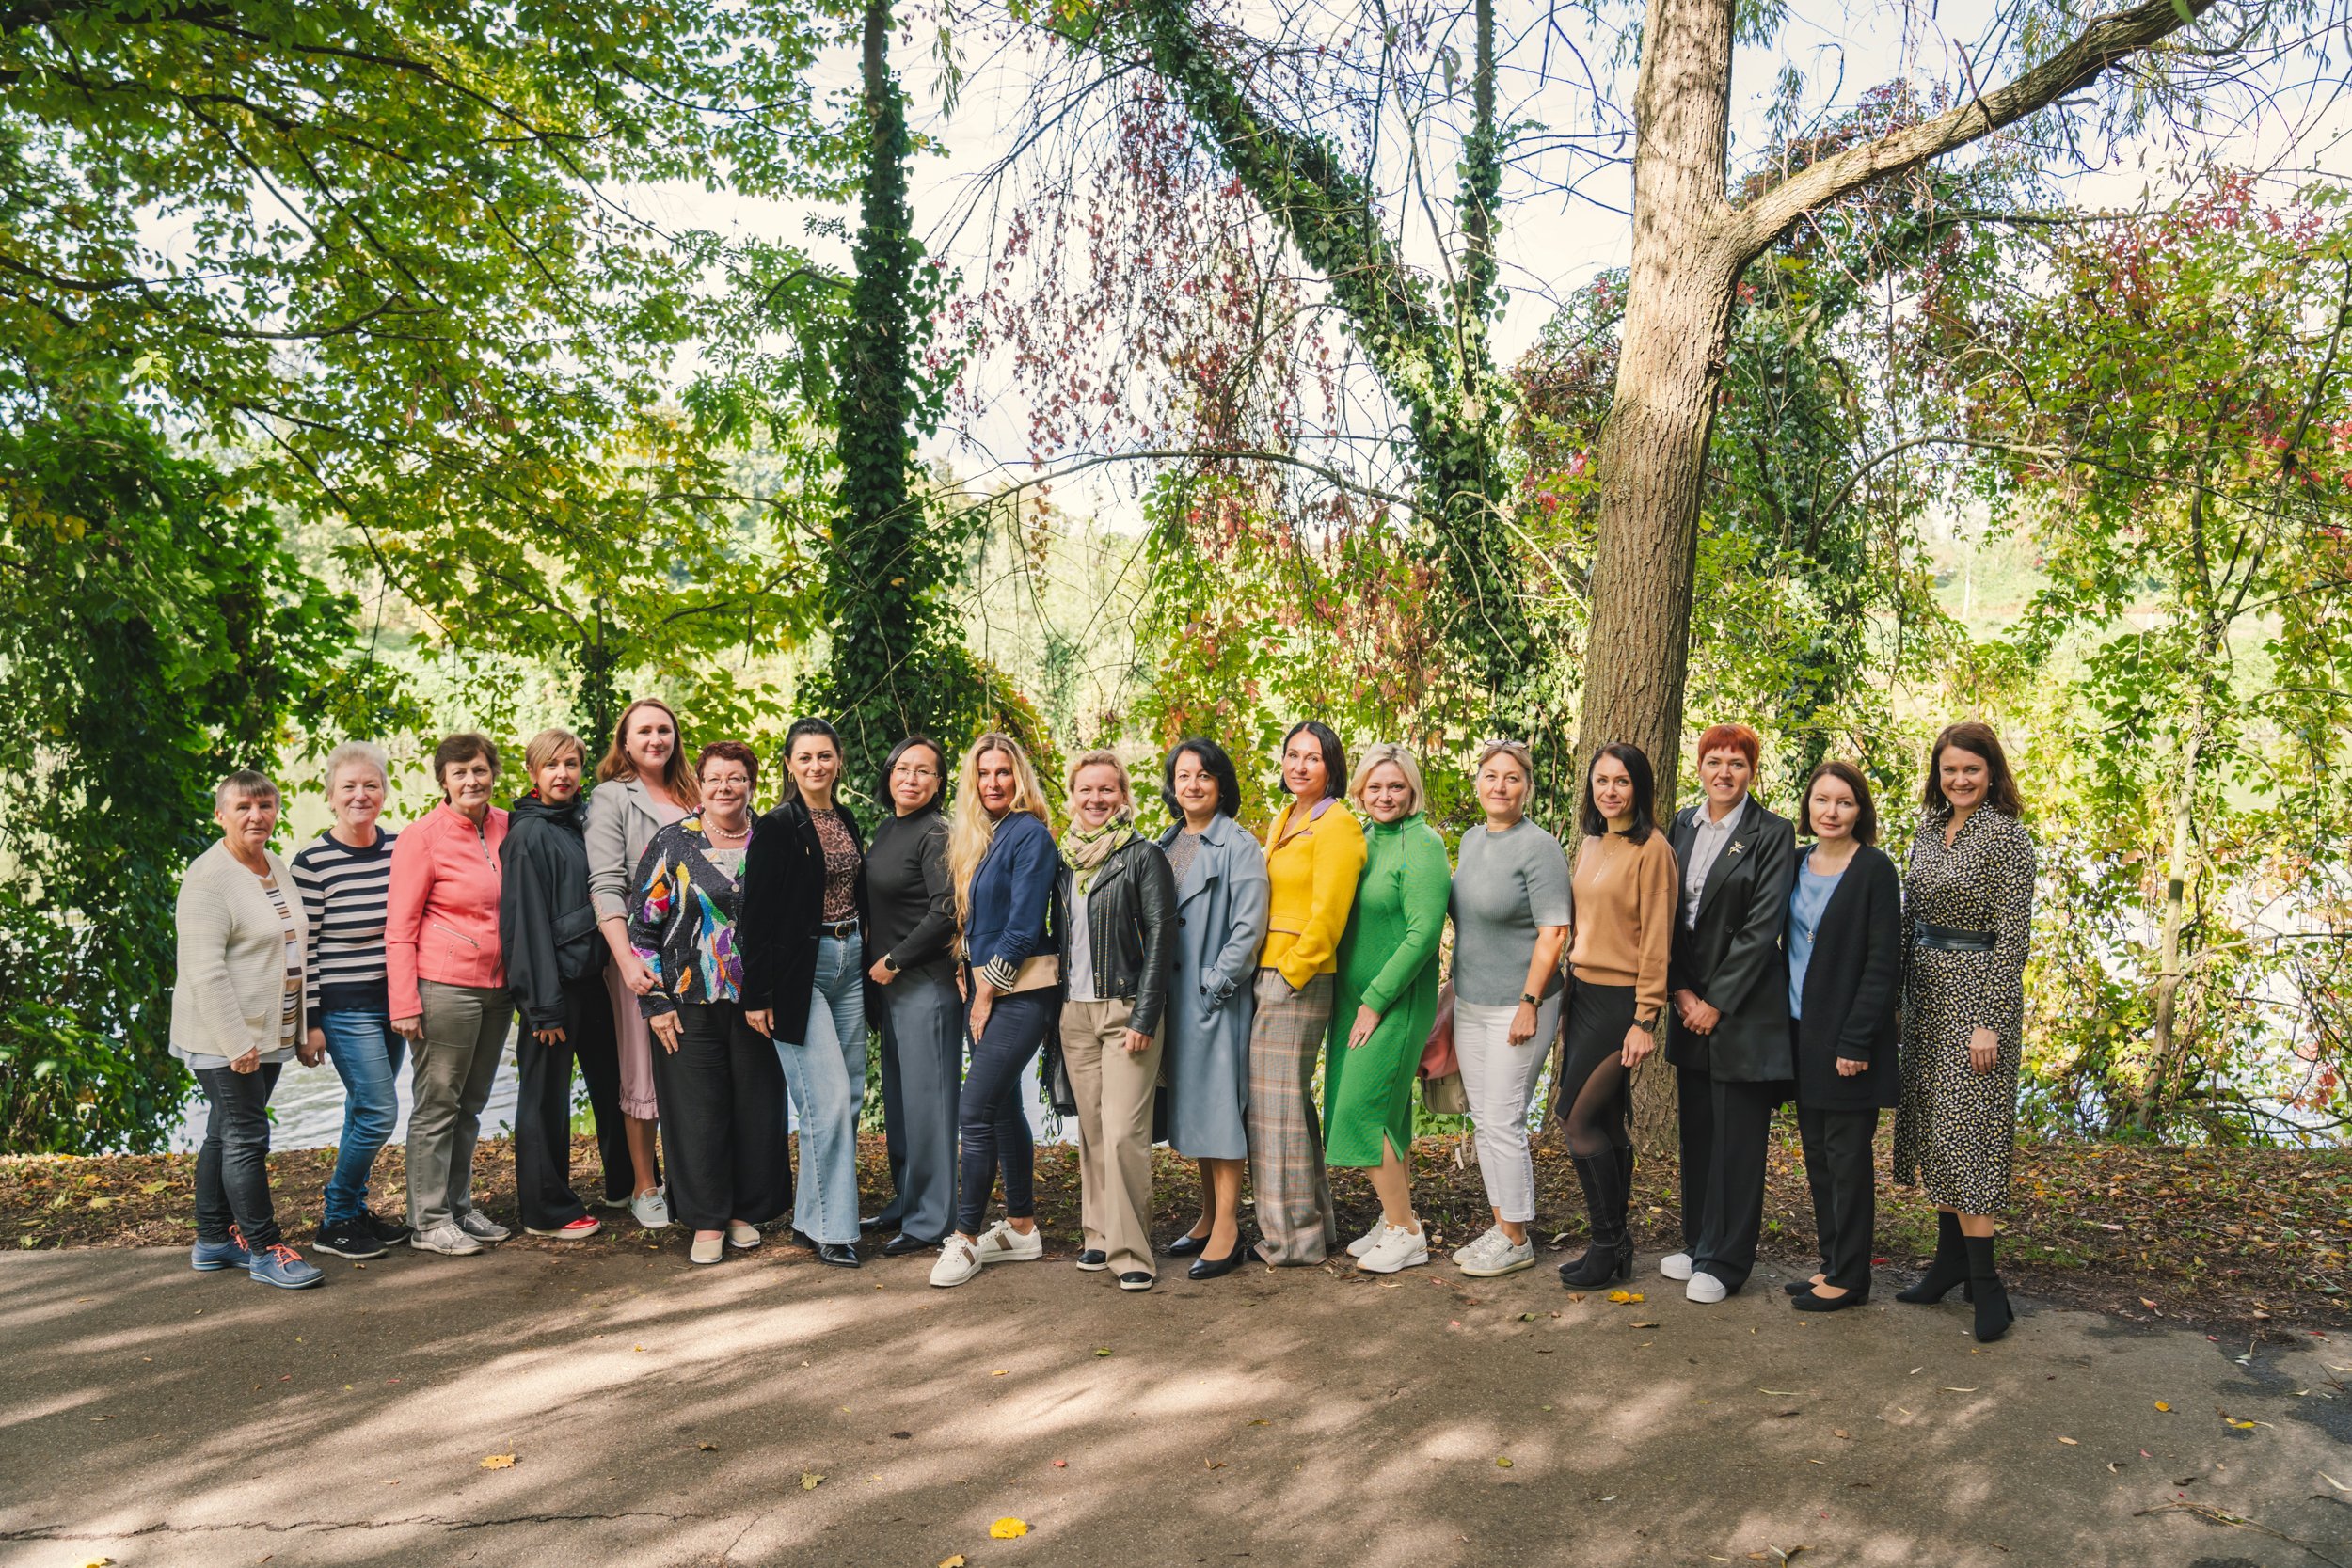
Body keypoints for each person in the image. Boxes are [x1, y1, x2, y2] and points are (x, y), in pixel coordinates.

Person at [1892, 721, 2037, 1342]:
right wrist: (1893, 998)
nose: (1960, 779)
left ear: (1992, 772)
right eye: (1950, 769)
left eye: (1971, 769)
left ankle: (1988, 1286)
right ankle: (1949, 1260)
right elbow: (1908, 915)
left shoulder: (2007, 838)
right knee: (1937, 1134)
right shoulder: (1927, 830)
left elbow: (2013, 940)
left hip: (1976, 999)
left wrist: (1990, 1021)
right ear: (1938, 773)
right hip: (1924, 999)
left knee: (1971, 1139)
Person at [628, 742, 792, 1265]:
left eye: (737, 778)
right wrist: (655, 1003)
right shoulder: (673, 842)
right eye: (715, 778)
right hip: (687, 1001)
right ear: (699, 784)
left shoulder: (773, 839)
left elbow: (791, 927)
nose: (725, 787)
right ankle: (706, 1219)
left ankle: (744, 1210)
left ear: (752, 784)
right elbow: (641, 930)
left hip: (756, 1004)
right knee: (697, 1113)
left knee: (754, 1106)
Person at [1660, 722, 1797, 1304]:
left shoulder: (1772, 833)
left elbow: (1762, 926)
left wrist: (1716, 1001)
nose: (1724, 772)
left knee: (1738, 1139)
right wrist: (1681, 992)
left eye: (1736, 764)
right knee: (1699, 1131)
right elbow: (1665, 913)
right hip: (1689, 1003)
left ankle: (1727, 1260)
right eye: (1714, 761)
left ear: (1752, 772)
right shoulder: (1682, 825)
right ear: (1699, 767)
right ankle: (1698, 1243)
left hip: (1742, 1011)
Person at [174, 770, 324, 1290]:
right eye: (243, 807)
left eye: (264, 805)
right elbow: (204, 969)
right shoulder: (208, 878)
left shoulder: (272, 866)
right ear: (220, 815)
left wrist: (305, 1027)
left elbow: (294, 951)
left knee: (224, 1132)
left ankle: (213, 1240)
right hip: (225, 1037)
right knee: (246, 1136)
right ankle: (264, 1248)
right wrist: (237, 1044)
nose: (256, 815)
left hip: (271, 1033)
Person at [930, 733, 1060, 1289]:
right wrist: (965, 964)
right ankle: (1022, 1229)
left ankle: (963, 1238)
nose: (993, 783)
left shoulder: (1029, 833)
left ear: (1020, 777)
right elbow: (978, 920)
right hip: (984, 989)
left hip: (1020, 992)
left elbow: (1025, 926)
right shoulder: (985, 836)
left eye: (1003, 772)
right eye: (983, 774)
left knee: (974, 1109)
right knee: (1004, 1111)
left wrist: (985, 993)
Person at [739, 718, 868, 1269]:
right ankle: (834, 1231)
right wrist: (756, 996)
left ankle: (808, 1219)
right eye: (805, 758)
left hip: (852, 959)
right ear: (789, 766)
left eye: (826, 756)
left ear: (838, 761)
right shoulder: (776, 826)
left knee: (850, 1095)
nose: (817, 766)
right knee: (827, 1100)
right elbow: (756, 918)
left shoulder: (846, 819)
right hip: (800, 972)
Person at [1444, 739, 1570, 1279]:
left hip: (1522, 1004)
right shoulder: (1472, 840)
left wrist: (1529, 1002)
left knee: (1504, 1118)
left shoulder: (1539, 847)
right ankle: (1502, 1226)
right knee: (1485, 1118)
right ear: (1478, 782)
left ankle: (1517, 1238)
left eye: (1512, 777)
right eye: (1491, 775)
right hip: (1471, 1001)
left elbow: (1555, 931)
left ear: (1527, 788)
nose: (1499, 785)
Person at [1053, 751, 1178, 1291]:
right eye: (1087, 790)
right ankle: (1099, 1234)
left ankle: (1132, 1252)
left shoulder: (1142, 857)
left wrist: (1146, 1013)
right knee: (1094, 1128)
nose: (1096, 799)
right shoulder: (1064, 859)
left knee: (1126, 1129)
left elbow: (1162, 940)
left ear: (1124, 796)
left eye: (1107, 790)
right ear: (1073, 795)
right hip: (1074, 1014)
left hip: (1126, 1010)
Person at [1556, 743, 1678, 1289]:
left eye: (1622, 781)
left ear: (1640, 788)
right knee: (1603, 1121)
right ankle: (1615, 1246)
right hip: (1581, 995)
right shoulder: (1591, 843)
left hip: (1620, 1003)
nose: (1610, 790)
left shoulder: (1653, 849)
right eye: (1601, 780)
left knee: (1577, 1121)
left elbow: (1658, 937)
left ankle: (1609, 1241)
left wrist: (1645, 1018)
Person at [500, 727, 628, 1241]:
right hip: (552, 991)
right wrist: (542, 1008)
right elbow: (524, 927)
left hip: (591, 980)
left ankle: (627, 1183)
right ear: (532, 774)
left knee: (613, 1085)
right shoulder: (528, 835)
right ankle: (545, 1209)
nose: (563, 774)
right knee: (543, 1100)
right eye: (551, 765)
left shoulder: (577, 823)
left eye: (572, 764)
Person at [1325, 743, 1449, 1275]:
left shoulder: (1423, 846)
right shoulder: (1363, 840)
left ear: (1412, 789)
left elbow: (1423, 936)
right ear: (1359, 791)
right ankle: (1391, 1216)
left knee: (1361, 1110)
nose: (1384, 796)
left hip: (1394, 1001)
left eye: (1395, 786)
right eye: (1374, 787)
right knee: (1388, 1113)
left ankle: (1407, 1232)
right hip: (1352, 1000)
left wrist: (1375, 1001)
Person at [389, 733, 514, 1258]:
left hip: (499, 988)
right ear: (443, 780)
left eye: (480, 770)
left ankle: (459, 1207)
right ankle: (428, 1220)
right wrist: (404, 1002)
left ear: (493, 774)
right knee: (438, 1103)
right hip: (444, 987)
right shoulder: (422, 837)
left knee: (472, 1103)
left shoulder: (510, 826)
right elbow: (399, 927)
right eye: (460, 772)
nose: (471, 781)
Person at [1784, 759, 1901, 1314]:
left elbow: (1883, 965)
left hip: (1850, 1042)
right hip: (1802, 1034)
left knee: (1847, 1158)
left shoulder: (1875, 870)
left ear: (1861, 810)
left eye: (1844, 802)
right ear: (1808, 806)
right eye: (1822, 800)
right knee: (1817, 1155)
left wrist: (1856, 1041)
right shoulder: (1795, 863)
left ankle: (1852, 1277)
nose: (1831, 812)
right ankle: (1831, 1262)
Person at [1248, 721, 1365, 1266]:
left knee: (1275, 1112)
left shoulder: (1338, 824)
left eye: (1312, 758)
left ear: (1331, 766)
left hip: (1297, 977)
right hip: (1271, 973)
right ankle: (1313, 1229)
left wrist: (1292, 973)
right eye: (1292, 755)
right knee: (1286, 1108)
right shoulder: (1289, 816)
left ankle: (1291, 1240)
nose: (1299, 765)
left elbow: (1330, 914)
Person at [1156, 739, 1270, 1281]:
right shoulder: (1167, 841)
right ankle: (1205, 1217)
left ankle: (1228, 1229)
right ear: (1172, 785)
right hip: (1173, 1002)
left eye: (1204, 775)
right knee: (1195, 1110)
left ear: (1221, 784)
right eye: (1183, 775)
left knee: (1222, 1112)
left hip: (1213, 999)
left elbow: (1249, 928)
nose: (1193, 784)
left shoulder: (1240, 846)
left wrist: (1215, 984)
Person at [292, 742, 408, 1261]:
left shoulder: (402, 848)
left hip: (397, 1001)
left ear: (384, 791)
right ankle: (336, 1216)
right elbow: (302, 949)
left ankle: (354, 1212)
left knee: (361, 1108)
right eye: (349, 787)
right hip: (344, 1007)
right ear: (331, 796)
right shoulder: (312, 863)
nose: (361, 795)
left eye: (371, 785)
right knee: (381, 1112)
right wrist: (310, 1022)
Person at [585, 697, 695, 1229]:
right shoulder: (612, 797)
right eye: (644, 731)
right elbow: (605, 884)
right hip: (641, 951)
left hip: (698, 953)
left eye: (664, 730)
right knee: (642, 1068)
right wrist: (626, 960)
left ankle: (692, 1178)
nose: (656, 739)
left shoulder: (696, 792)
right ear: (624, 743)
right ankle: (644, 1186)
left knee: (690, 1064)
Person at [859, 736, 960, 1259]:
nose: (910, 778)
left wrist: (895, 960)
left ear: (939, 783)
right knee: (900, 1106)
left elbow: (947, 910)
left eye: (924, 771)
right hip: (890, 992)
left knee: (929, 1108)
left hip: (923, 986)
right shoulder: (887, 828)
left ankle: (931, 1219)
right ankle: (905, 1202)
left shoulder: (938, 833)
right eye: (902, 768)